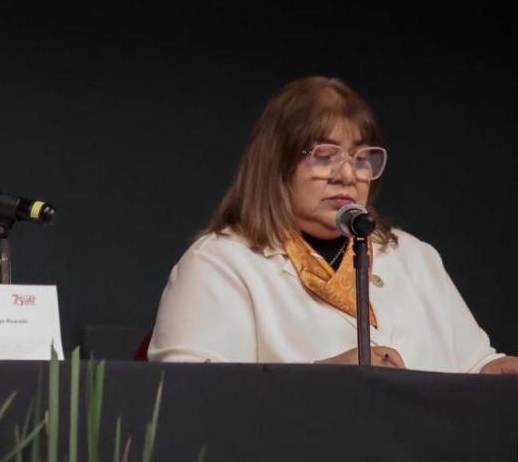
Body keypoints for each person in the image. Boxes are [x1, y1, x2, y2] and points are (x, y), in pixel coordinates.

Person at [148, 76, 517, 374]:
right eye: (325, 156)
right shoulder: (220, 263)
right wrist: (323, 378)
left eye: (362, 159)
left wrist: (496, 370)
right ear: (276, 166)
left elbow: (474, 364)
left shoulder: (414, 257)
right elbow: (191, 400)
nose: (347, 175)